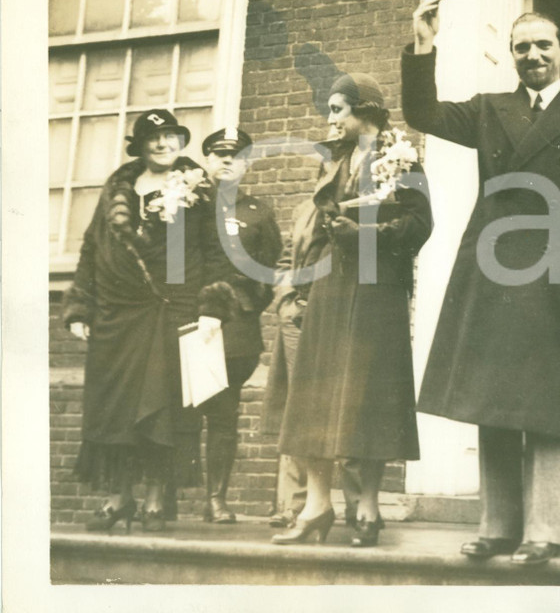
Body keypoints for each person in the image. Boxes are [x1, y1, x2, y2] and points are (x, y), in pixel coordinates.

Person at [403, 0, 560, 566]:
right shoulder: (489, 109)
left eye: (542, 45)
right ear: (511, 56)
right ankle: (498, 526)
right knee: (494, 400)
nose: (532, 55)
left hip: (557, 272)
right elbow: (422, 114)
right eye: (521, 47)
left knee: (548, 406)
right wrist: (424, 44)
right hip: (496, 271)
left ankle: (544, 531)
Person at [273, 74, 432, 548]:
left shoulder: (401, 156)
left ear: (366, 110)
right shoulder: (335, 161)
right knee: (316, 396)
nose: (330, 118)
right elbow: (315, 227)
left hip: (377, 289)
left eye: (338, 109)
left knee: (371, 398)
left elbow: (420, 226)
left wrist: (364, 235)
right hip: (330, 285)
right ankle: (318, 506)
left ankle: (367, 508)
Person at [62, 109, 228, 533]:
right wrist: (80, 307)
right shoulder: (117, 189)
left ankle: (155, 500)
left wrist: (211, 305)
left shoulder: (199, 190)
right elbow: (91, 249)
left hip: (172, 309)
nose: (163, 144)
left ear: (180, 142)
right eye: (153, 138)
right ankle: (119, 500)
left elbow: (216, 253)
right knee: (114, 408)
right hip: (116, 316)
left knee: (164, 407)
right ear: (139, 145)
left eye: (171, 136)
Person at [264, 77, 365, 531]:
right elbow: (289, 255)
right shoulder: (307, 209)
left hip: (330, 310)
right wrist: (287, 298)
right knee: (300, 408)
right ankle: (296, 504)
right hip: (298, 312)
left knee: (340, 406)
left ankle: (349, 504)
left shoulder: (340, 201)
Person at [197, 127, 282, 524]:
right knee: (176, 410)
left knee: (223, 413)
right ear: (207, 160)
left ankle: (217, 498)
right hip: (187, 322)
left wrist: (241, 303)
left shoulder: (257, 212)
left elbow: (267, 268)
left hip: (234, 329)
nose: (227, 160)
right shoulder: (187, 204)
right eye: (218, 154)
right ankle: (158, 496)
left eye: (237, 154)